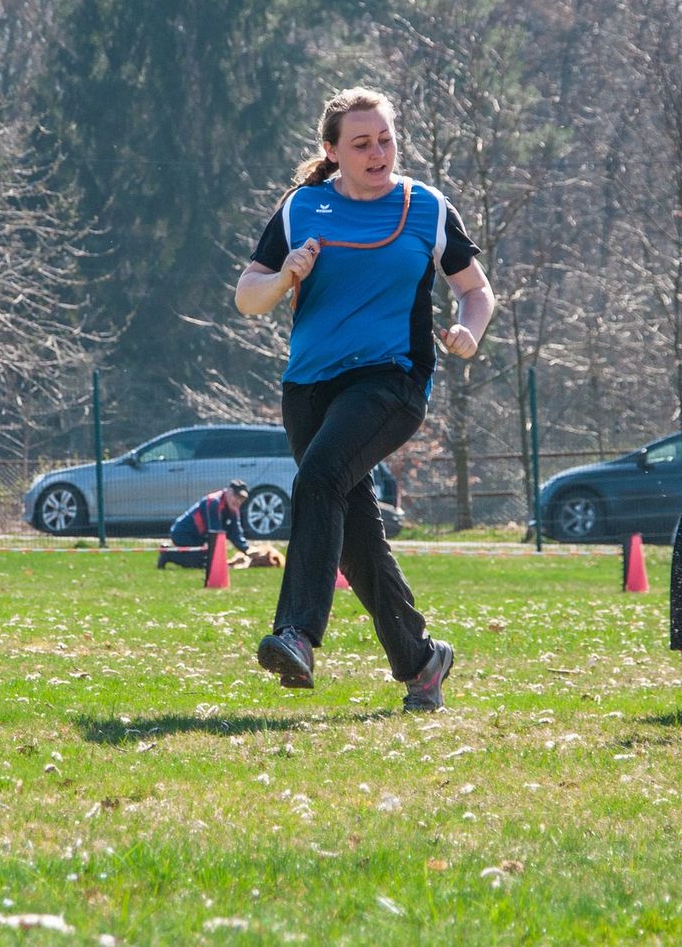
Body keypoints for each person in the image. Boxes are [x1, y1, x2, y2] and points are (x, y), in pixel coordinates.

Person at [235, 86, 495, 712]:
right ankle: (421, 659)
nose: (378, 152)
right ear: (332, 151)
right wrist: (285, 276)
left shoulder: (425, 208)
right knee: (353, 532)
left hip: (392, 381)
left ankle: (296, 632)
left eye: (385, 139)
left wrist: (468, 331)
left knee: (320, 477)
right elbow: (248, 297)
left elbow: (477, 291)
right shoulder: (302, 209)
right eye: (361, 143)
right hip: (308, 388)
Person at [158, 480, 250, 569]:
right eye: (236, 496)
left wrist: (247, 551)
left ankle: (173, 552)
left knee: (207, 560)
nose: (238, 501)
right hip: (183, 534)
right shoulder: (214, 502)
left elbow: (236, 533)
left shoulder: (233, 509)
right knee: (203, 563)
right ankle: (167, 553)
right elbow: (215, 533)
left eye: (241, 499)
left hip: (198, 538)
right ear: (228, 491)